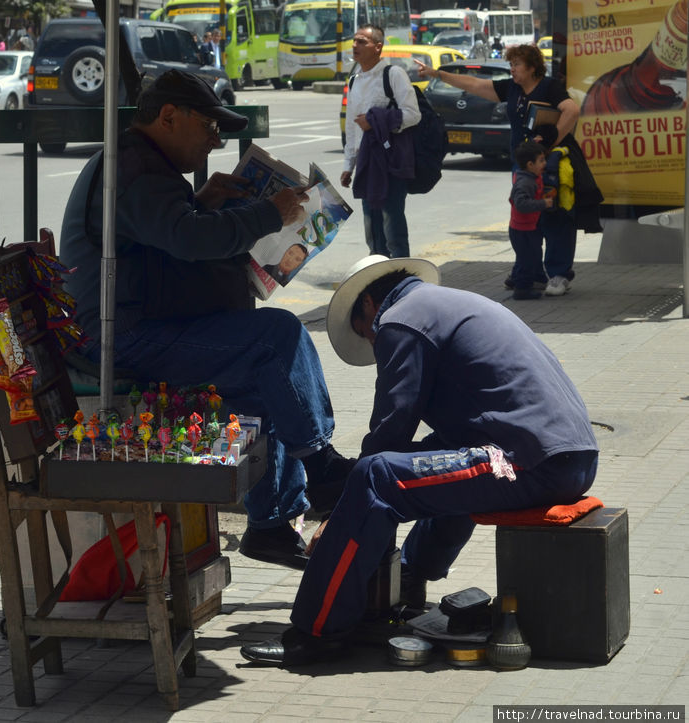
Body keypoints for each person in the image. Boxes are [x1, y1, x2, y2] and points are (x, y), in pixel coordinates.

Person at [239, 255, 599, 666]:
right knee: (428, 462)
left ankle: (316, 632)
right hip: (562, 456)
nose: (376, 344)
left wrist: (340, 512)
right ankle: (409, 579)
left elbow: (392, 426)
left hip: (527, 461)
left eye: (367, 335)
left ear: (370, 306)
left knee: (375, 477)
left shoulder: (400, 320)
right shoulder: (443, 304)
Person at [59, 70, 352, 571]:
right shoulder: (132, 169)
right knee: (276, 338)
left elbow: (164, 233)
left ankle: (272, 524)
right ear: (170, 117)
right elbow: (187, 238)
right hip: (122, 338)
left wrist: (202, 202)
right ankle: (321, 467)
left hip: (141, 326)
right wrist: (266, 214)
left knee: (270, 377)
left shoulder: (145, 168)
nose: (216, 139)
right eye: (209, 125)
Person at [416, 44, 580, 296]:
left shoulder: (549, 87)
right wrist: (438, 75)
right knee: (526, 219)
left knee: (555, 217)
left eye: (517, 64)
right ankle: (530, 271)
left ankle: (559, 274)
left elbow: (572, 109)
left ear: (532, 67)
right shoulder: (511, 88)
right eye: (511, 64)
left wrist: (550, 142)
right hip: (522, 165)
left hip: (549, 163)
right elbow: (475, 85)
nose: (512, 69)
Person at [341, 25, 421, 260]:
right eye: (354, 41)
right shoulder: (355, 80)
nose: (355, 45)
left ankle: (402, 276)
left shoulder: (393, 74)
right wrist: (349, 165)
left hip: (390, 162)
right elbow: (352, 126)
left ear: (378, 47)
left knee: (392, 225)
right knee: (371, 226)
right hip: (367, 163)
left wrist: (376, 121)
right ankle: (378, 276)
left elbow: (413, 115)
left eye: (362, 41)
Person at [509, 140, 554, 300]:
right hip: (521, 230)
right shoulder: (525, 182)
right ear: (530, 164)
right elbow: (520, 204)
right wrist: (543, 203)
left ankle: (521, 281)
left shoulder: (533, 177)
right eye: (541, 160)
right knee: (526, 259)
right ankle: (522, 289)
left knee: (532, 255)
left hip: (529, 227)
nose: (545, 163)